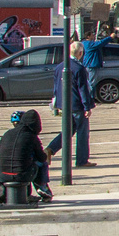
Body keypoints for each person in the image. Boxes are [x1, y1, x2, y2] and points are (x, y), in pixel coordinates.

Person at [48, 40, 96, 168]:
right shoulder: (79, 68)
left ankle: (50, 149)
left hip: (64, 104)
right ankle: (82, 160)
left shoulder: (60, 67)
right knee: (82, 132)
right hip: (77, 105)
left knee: (68, 130)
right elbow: (83, 89)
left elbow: (56, 87)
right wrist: (87, 106)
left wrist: (56, 103)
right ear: (80, 53)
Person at [0, 109, 51, 204]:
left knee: (22, 164)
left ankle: (27, 194)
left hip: (2, 174)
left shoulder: (7, 133)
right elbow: (42, 158)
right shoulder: (31, 137)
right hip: (22, 175)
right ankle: (43, 188)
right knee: (40, 164)